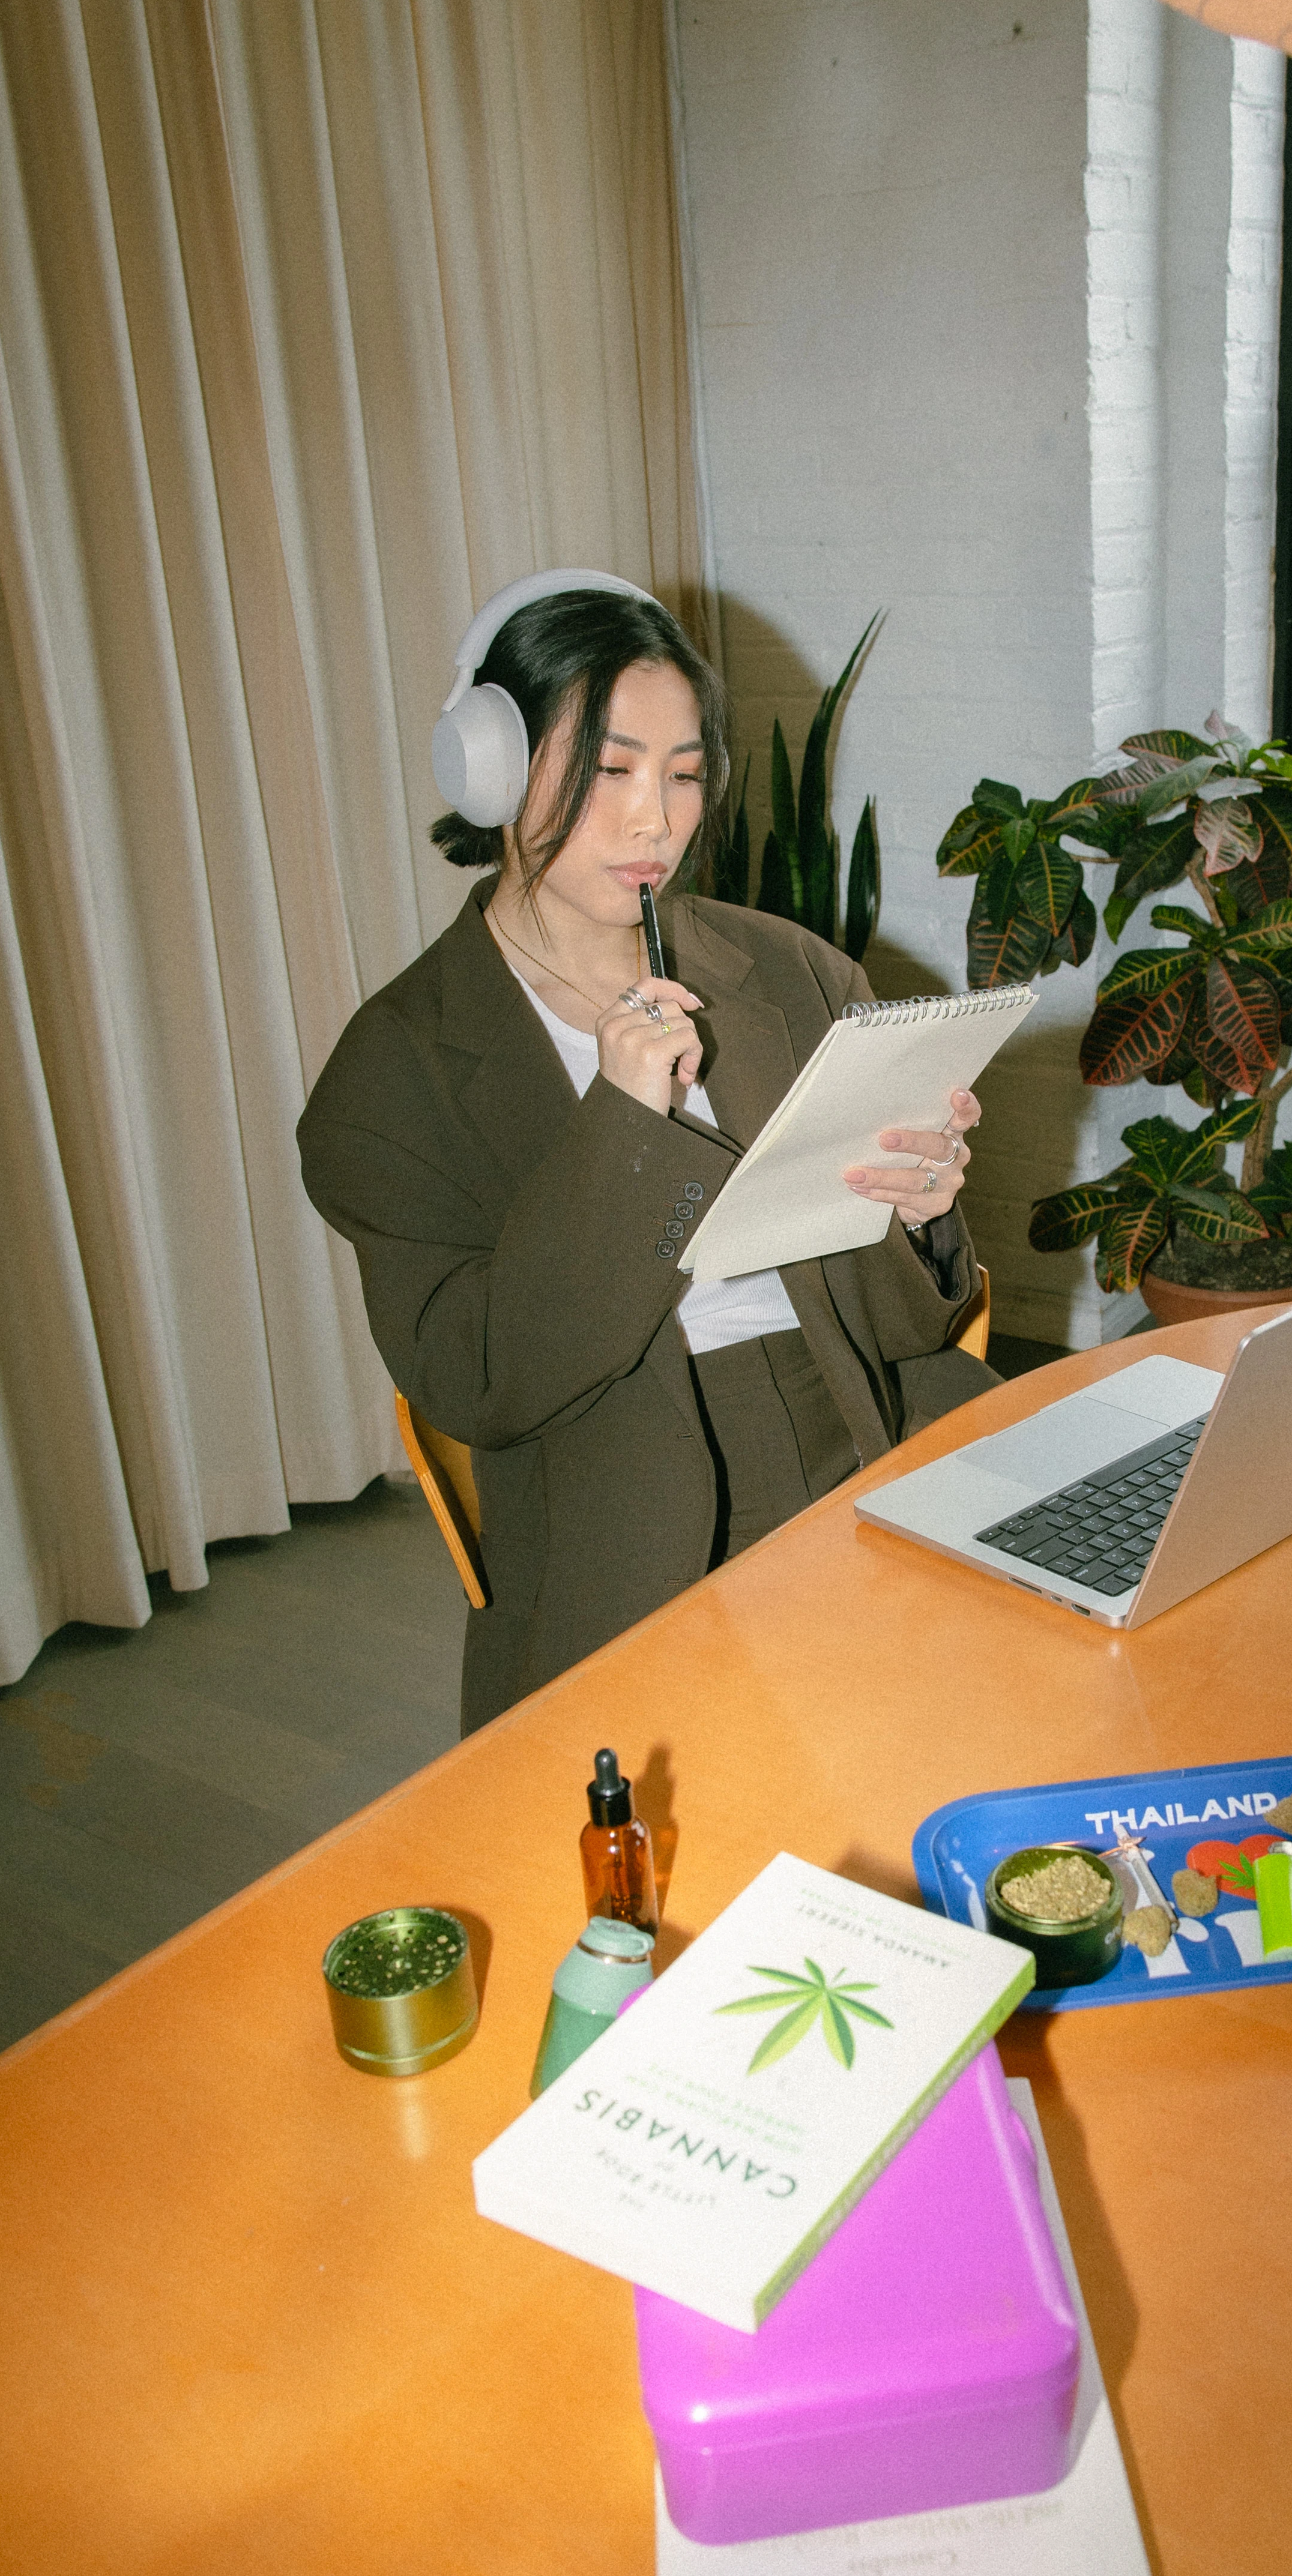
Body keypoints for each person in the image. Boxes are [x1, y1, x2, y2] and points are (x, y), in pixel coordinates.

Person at [298, 573, 997, 1732]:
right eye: (610, 771)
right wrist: (624, 1128)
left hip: (872, 1430)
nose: (655, 822)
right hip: (626, 1509)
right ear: (489, 771)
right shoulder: (392, 1078)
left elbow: (909, 1327)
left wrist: (918, 1213)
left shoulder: (793, 972)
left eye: (682, 775)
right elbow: (483, 1383)